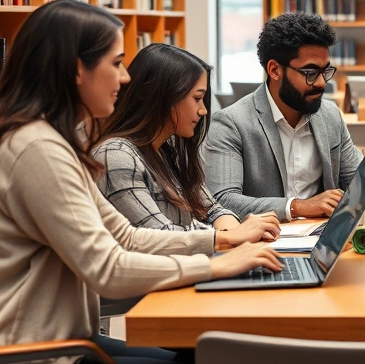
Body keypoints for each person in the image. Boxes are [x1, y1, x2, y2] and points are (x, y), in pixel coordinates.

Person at [0, 0, 282, 364]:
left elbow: (126, 236)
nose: (126, 77)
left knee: (204, 363)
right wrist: (217, 263)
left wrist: (219, 243)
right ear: (78, 69)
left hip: (52, 352)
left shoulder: (49, 142)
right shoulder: (36, 149)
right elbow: (108, 269)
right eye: (116, 63)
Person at [93, 43, 280, 237]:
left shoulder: (168, 151)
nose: (203, 110)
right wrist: (230, 236)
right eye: (197, 98)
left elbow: (214, 210)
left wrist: (237, 235)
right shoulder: (116, 155)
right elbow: (159, 236)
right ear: (165, 97)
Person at [203, 12, 363, 221]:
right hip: (262, 244)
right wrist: (297, 207)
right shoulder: (231, 123)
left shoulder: (330, 115)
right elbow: (222, 199)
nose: (322, 83)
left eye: (325, 71)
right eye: (310, 72)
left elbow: (359, 181)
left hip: (323, 239)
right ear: (275, 70)